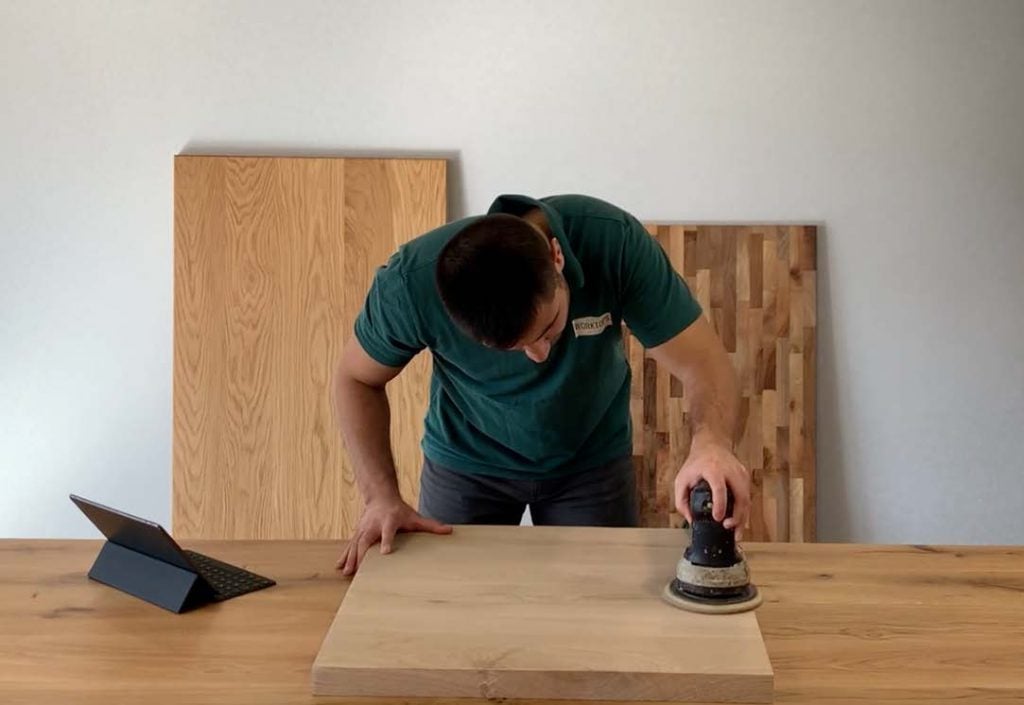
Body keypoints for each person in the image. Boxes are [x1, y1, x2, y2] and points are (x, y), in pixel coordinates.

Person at [333, 193, 750, 575]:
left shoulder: (614, 243)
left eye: (548, 329)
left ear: (556, 257)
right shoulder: (408, 286)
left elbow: (703, 363)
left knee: (599, 606)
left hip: (590, 461)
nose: (539, 356)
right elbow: (355, 378)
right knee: (454, 607)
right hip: (467, 463)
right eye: (514, 348)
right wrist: (380, 497)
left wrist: (711, 443)